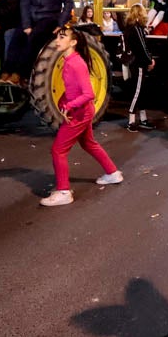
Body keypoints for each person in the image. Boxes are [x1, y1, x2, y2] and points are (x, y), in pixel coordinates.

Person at [39, 24, 123, 206]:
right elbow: (71, 89)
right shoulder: (68, 60)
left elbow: (89, 94)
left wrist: (68, 105)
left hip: (80, 113)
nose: (57, 40)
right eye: (58, 37)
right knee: (88, 143)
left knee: (58, 150)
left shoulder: (76, 63)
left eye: (62, 37)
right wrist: (63, 101)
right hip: (81, 112)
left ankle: (63, 191)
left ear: (73, 42)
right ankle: (113, 173)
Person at [14, 0, 75, 83]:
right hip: (33, 19)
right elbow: (24, 5)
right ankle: (8, 72)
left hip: (50, 18)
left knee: (34, 36)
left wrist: (60, 22)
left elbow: (68, 2)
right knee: (15, 36)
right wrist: (26, 26)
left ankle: (24, 75)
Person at [122, 4, 157, 133]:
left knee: (141, 91)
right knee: (137, 91)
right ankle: (132, 121)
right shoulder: (137, 29)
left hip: (134, 62)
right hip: (139, 64)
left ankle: (142, 119)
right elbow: (142, 47)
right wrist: (150, 60)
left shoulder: (130, 28)